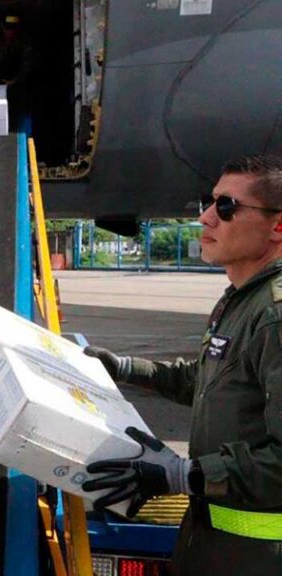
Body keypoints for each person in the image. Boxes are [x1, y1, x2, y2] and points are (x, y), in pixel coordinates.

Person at [83, 154, 282, 574]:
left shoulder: (275, 316)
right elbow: (206, 381)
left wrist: (180, 475)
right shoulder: (241, 298)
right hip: (207, 541)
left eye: (226, 207)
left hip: (255, 558)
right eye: (208, 203)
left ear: (278, 226)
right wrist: (122, 367)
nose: (207, 218)